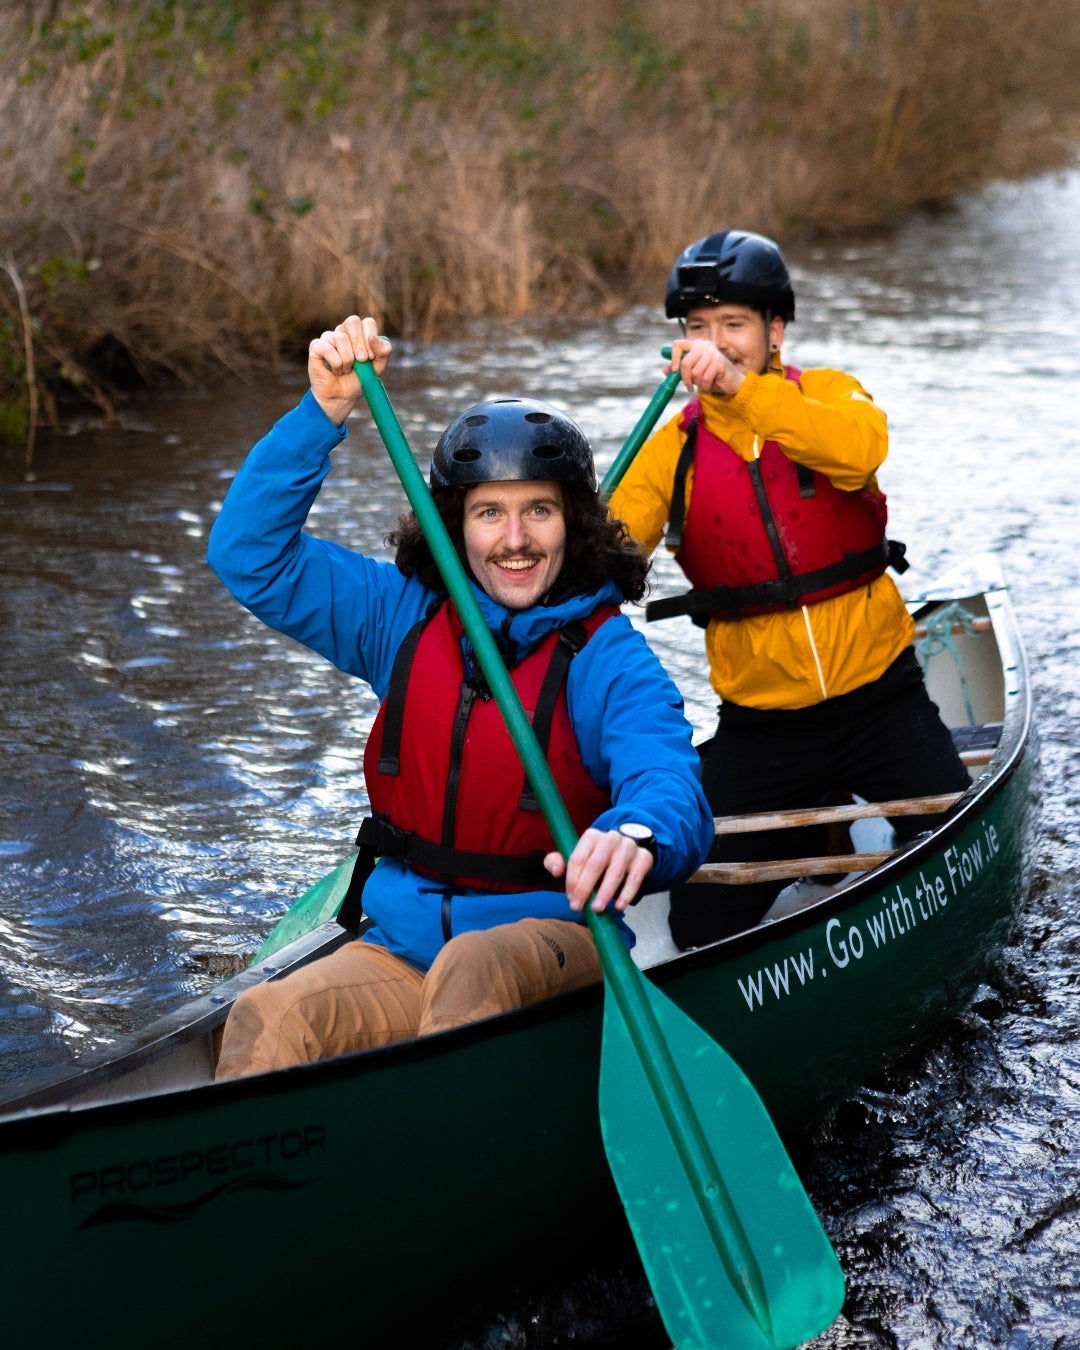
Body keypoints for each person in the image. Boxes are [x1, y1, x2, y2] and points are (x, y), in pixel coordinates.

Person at [208, 315, 714, 1078]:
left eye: (538, 510)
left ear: (572, 525)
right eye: (489, 513)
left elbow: (669, 782)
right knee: (270, 1016)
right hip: (402, 948)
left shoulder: (608, 657)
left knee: (473, 969)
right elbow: (249, 556)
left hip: (554, 945)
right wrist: (321, 412)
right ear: (456, 526)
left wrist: (635, 833)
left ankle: (443, 1136)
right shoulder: (399, 617)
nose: (515, 539)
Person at [608, 229, 971, 950]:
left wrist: (743, 393)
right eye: (698, 327)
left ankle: (845, 819)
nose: (715, 344)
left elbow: (860, 450)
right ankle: (819, 821)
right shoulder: (670, 450)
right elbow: (605, 559)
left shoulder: (830, 395)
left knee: (957, 855)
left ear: (775, 332)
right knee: (699, 926)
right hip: (763, 725)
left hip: (881, 700)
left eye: (734, 325)